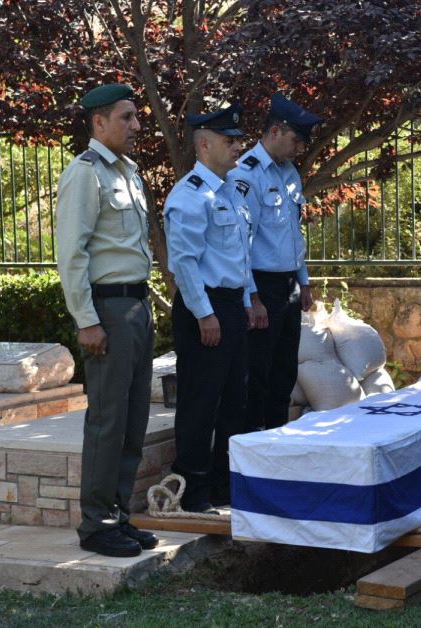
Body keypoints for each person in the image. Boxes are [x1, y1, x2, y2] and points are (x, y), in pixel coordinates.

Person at [56, 83, 157, 557]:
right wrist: (86, 320)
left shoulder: (128, 173)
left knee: (134, 421)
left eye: (136, 117)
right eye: (127, 117)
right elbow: (71, 253)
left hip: (136, 307)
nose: (137, 126)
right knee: (107, 421)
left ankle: (118, 515)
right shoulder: (86, 173)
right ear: (99, 123)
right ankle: (96, 526)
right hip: (109, 311)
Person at [164, 105, 252, 512]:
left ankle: (222, 485)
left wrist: (247, 301)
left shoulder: (230, 189)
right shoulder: (189, 196)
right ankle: (192, 490)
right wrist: (204, 314)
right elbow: (183, 262)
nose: (237, 146)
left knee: (235, 399)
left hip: (231, 305)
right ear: (204, 144)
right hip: (206, 308)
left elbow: (239, 257)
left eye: (237, 139)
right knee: (201, 401)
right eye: (228, 140)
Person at [231, 93, 322, 432]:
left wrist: (304, 280)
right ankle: (253, 448)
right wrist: (251, 297)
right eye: (295, 140)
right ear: (274, 131)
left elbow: (292, 232)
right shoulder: (247, 175)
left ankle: (277, 444)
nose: (299, 148)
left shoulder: (289, 174)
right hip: (261, 284)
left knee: (284, 374)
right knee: (258, 375)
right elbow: (242, 241)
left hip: (289, 286)